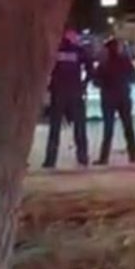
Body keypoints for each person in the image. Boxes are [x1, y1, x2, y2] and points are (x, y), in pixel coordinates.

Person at [43, 28, 93, 168]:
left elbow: (46, 69)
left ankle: (50, 159)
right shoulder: (78, 51)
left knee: (55, 127)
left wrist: (49, 86)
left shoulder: (55, 50)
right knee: (79, 127)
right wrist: (84, 84)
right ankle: (82, 157)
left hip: (58, 92)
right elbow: (90, 68)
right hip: (74, 92)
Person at [93, 37, 135, 165]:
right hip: (124, 97)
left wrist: (105, 84)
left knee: (108, 129)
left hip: (108, 99)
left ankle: (104, 158)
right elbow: (134, 78)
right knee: (128, 127)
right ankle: (133, 155)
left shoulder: (104, 63)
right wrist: (123, 81)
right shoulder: (125, 61)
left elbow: (96, 81)